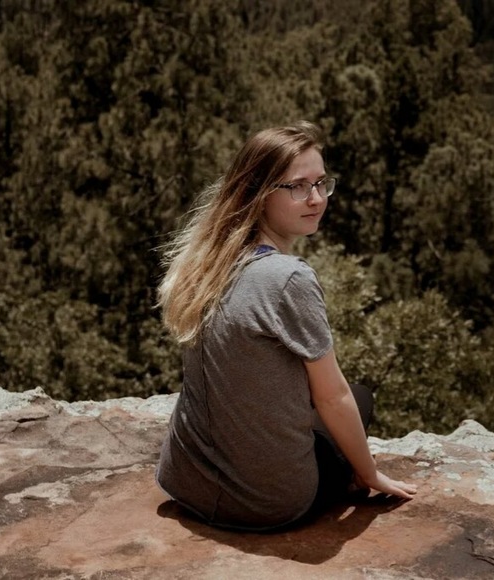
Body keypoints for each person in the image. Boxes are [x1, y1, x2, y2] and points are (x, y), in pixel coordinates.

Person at [156, 121, 417, 531]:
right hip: (265, 504)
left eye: (322, 183)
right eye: (297, 186)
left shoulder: (205, 259)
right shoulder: (287, 277)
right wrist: (369, 474)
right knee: (358, 397)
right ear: (258, 193)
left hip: (184, 482)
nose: (316, 198)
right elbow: (332, 397)